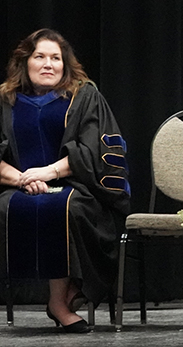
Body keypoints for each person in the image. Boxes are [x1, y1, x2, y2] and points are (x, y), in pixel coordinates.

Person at [0, 29, 130, 333]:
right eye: (40, 57)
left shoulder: (84, 97)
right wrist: (23, 179)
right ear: (25, 62)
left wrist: (47, 173)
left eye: (56, 58)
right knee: (9, 209)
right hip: (17, 186)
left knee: (67, 208)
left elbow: (94, 151)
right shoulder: (5, 100)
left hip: (76, 185)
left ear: (65, 64)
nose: (48, 64)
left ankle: (59, 302)